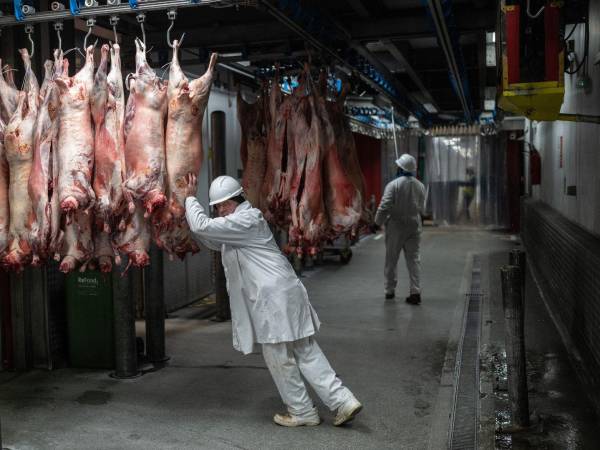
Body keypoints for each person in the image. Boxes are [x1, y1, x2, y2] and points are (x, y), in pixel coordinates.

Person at [183, 174, 363, 427]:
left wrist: (190, 198)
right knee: (305, 350)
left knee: (279, 356)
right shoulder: (242, 222)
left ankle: (302, 411)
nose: (221, 210)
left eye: (225, 204)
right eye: (218, 206)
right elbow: (211, 238)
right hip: (284, 294)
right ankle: (343, 401)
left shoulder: (246, 219)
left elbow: (203, 227)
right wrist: (192, 218)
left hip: (274, 300)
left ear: (238, 199)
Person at [374, 154, 426, 304]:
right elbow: (422, 208)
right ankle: (415, 291)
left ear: (401, 168)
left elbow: (384, 206)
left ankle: (389, 291)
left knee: (391, 260)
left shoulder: (393, 185)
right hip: (414, 226)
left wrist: (377, 222)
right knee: (414, 260)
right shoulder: (420, 186)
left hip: (396, 227)